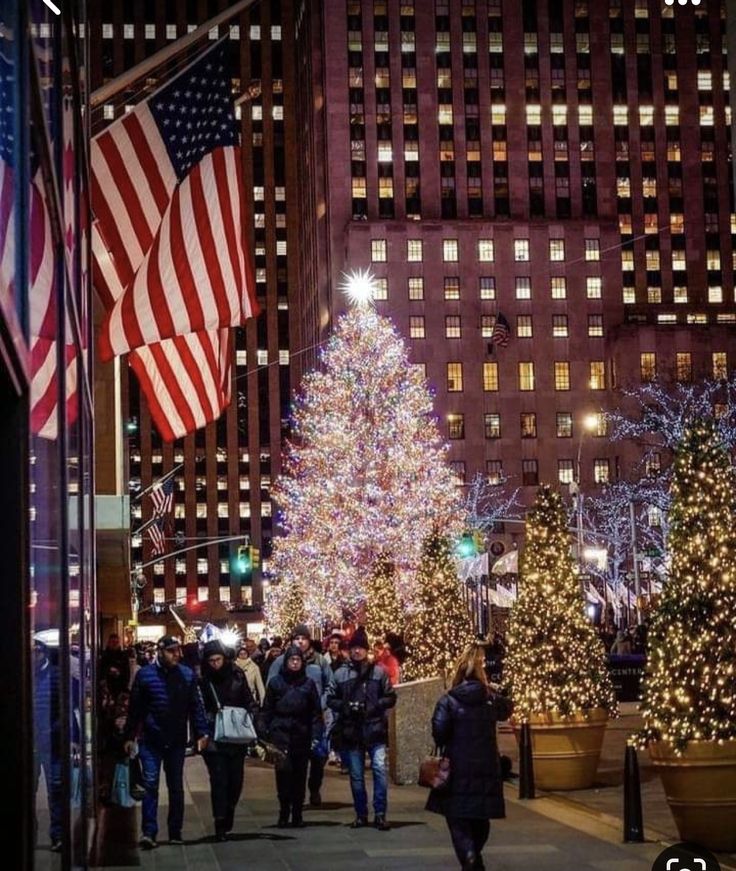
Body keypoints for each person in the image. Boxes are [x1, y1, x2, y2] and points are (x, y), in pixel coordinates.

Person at [426, 642, 513, 870]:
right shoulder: (489, 698)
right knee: (480, 820)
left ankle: (471, 860)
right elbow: (507, 708)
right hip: (486, 769)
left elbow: (439, 734)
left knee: (458, 822)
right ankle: (474, 858)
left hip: (457, 770)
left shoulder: (448, 700)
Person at [123, 635, 210, 850]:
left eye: (177, 650)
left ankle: (175, 831)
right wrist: (129, 735)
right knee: (150, 784)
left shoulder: (186, 675)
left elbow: (195, 706)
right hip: (150, 740)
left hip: (176, 739)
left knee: (175, 786)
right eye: (172, 651)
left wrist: (202, 732)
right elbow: (135, 709)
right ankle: (149, 832)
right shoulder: (145, 676)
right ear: (160, 652)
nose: (176, 655)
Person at [327, 626, 397, 830]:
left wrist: (375, 706)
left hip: (374, 728)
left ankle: (381, 813)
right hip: (352, 730)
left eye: (360, 648)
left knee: (379, 770)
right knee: (356, 775)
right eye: (354, 648)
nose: (357, 651)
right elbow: (331, 698)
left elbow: (391, 696)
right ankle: (361, 813)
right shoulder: (340, 674)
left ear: (366, 650)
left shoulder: (378, 672)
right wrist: (346, 707)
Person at [267, 624, 334, 806]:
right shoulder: (281, 662)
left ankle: (314, 789)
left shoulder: (320, 661)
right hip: (288, 724)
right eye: (297, 638)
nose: (301, 642)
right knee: (290, 765)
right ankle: (290, 800)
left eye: (304, 638)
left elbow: (330, 684)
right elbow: (271, 687)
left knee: (318, 757)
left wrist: (323, 701)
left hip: (315, 715)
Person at [199, 640, 260, 841]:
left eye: (218, 659)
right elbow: (197, 707)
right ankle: (220, 822)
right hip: (215, 737)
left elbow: (248, 700)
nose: (215, 664)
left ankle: (229, 809)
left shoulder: (236, 675)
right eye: (211, 660)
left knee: (235, 781)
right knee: (219, 781)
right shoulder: (204, 680)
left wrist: (251, 721)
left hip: (235, 737)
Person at [258, 645, 323, 828]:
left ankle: (297, 813)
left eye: (297, 660)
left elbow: (315, 713)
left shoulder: (308, 684)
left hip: (301, 735)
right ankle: (284, 810)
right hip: (281, 735)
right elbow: (267, 709)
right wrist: (264, 731)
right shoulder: (276, 683)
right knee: (283, 776)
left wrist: (315, 735)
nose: (295, 663)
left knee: (300, 776)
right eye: (291, 660)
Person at [33, 637, 63, 852]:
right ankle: (31, 832)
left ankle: (57, 834)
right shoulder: (26, 676)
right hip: (32, 742)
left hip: (50, 740)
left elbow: (63, 708)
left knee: (55, 788)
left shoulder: (55, 676)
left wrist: (54, 731)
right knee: (29, 790)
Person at [99, 633, 131, 700]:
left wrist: (124, 688)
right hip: (106, 688)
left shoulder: (123, 656)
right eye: (113, 642)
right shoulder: (104, 656)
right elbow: (100, 671)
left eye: (116, 642)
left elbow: (127, 673)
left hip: (120, 688)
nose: (114, 644)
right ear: (109, 643)